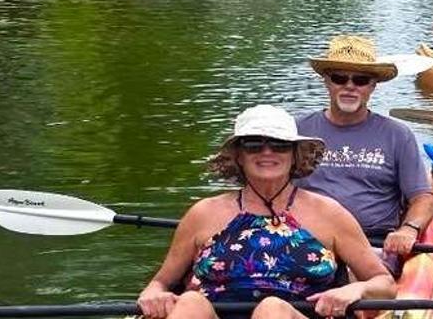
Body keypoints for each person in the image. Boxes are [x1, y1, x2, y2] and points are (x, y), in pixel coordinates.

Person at [136, 106, 394, 319]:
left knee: (272, 309)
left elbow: (384, 284)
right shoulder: (203, 213)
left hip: (298, 314)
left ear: (295, 155)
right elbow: (161, 282)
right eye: (253, 144)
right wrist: (153, 294)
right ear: (239, 156)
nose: (267, 152)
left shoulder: (329, 213)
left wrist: (356, 290)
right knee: (191, 302)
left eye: (279, 145)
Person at [296, 36, 433, 274]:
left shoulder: (397, 135)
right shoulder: (296, 131)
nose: (350, 86)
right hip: (306, 239)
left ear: (373, 86)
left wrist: (408, 229)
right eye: (340, 78)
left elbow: (423, 198)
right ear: (326, 81)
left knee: (350, 279)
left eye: (360, 80)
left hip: (372, 244)